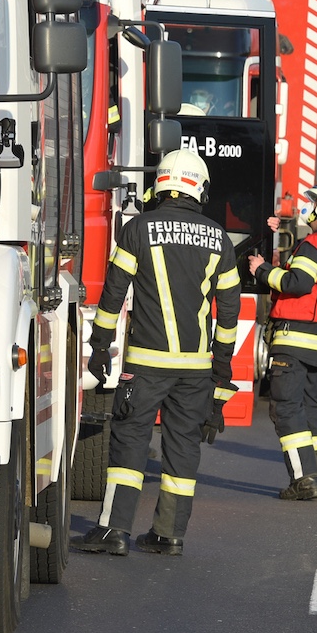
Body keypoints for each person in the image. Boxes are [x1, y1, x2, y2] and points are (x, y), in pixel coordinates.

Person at [75, 148, 240, 556]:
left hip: (146, 365)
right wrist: (220, 374)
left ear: (161, 183)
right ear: (199, 189)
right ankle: (169, 534)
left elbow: (113, 293)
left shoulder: (137, 229)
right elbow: (230, 313)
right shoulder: (220, 239)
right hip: (197, 369)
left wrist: (99, 346)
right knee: (183, 446)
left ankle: (114, 530)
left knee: (130, 442)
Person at [245, 181, 317, 501]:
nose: (307, 206)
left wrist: (263, 270)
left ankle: (303, 478)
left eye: (314, 201)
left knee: (285, 408)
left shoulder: (315, 243)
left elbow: (299, 282)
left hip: (295, 336)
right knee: (312, 409)